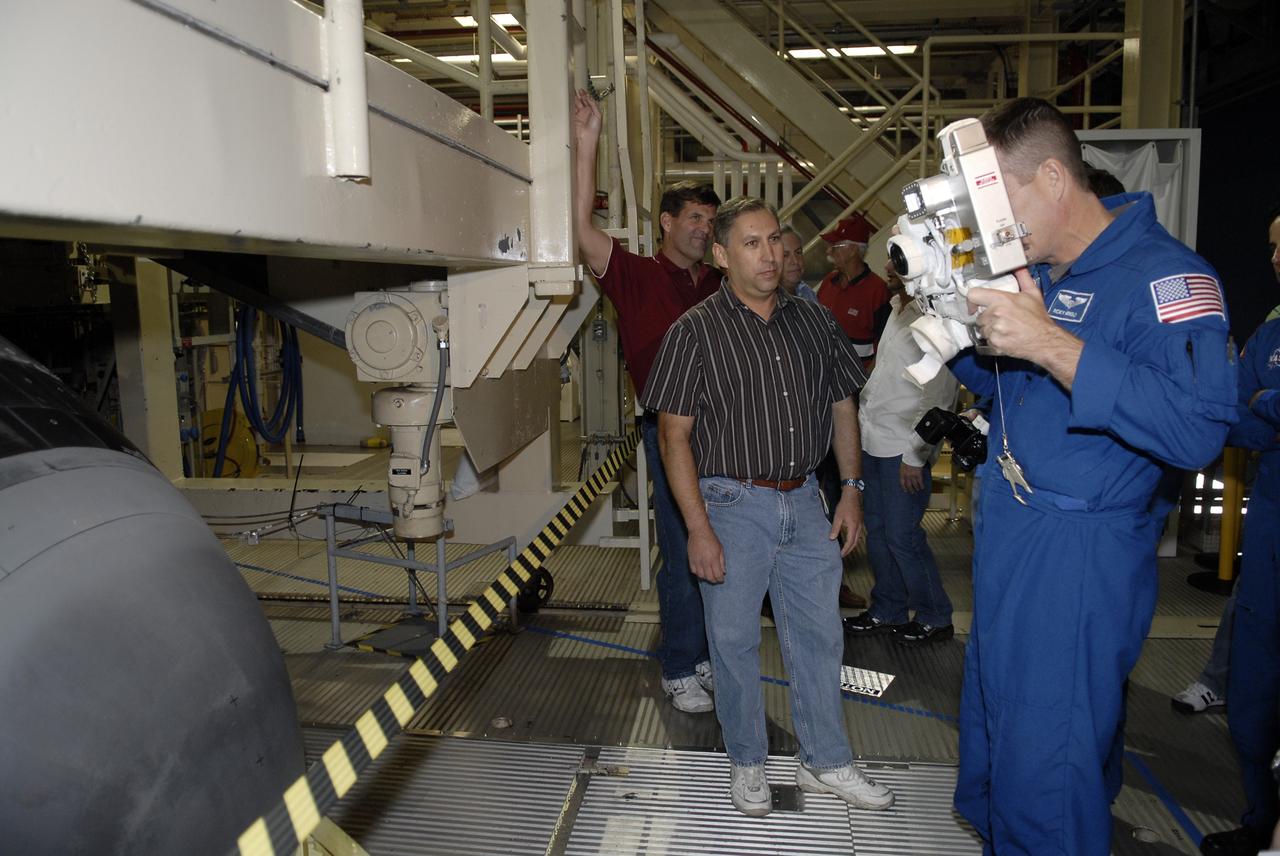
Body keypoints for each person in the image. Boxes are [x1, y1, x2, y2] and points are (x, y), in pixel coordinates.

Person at [948, 97, 1237, 854]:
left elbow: (1198, 430)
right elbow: (1016, 392)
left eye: (997, 198)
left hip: (1075, 552)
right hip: (1013, 526)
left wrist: (1050, 343)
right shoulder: (1046, 271)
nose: (991, 223)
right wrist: (957, 327)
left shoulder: (1166, 279)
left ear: (1051, 177)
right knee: (999, 726)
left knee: (1050, 754)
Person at [642, 196, 894, 818]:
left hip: (807, 499)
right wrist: (697, 530)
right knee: (732, 643)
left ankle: (827, 760)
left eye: (775, 240)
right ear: (724, 256)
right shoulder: (693, 332)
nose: (770, 253)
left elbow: (843, 406)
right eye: (751, 243)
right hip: (730, 502)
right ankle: (747, 761)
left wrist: (853, 490)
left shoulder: (813, 322)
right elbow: (674, 436)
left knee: (818, 637)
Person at [573, 89, 720, 714]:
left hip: (727, 431)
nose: (703, 229)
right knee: (685, 542)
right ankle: (681, 666)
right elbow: (581, 232)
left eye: (711, 222)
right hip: (668, 432)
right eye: (693, 219)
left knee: (722, 544)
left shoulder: (720, 281)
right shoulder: (635, 275)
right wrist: (589, 145)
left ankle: (709, 652)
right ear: (666, 222)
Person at [1200, 211, 1280, 856]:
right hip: (1271, 543)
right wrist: (1261, 408)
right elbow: (1235, 415)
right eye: (1274, 246)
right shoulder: (1272, 330)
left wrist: (1264, 406)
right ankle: (1262, 823)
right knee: (1254, 698)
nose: (1277, 258)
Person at [844, 266, 960, 645]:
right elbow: (886, 377)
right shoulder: (896, 307)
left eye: (899, 259)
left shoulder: (934, 316)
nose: (890, 266)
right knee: (877, 534)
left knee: (902, 537)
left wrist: (917, 454)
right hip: (874, 440)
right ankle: (888, 608)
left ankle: (935, 615)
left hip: (902, 448)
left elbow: (941, 395)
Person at [816, 214, 892, 366]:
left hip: (857, 383)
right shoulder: (828, 282)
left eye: (835, 246)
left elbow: (886, 345)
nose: (829, 251)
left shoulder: (877, 291)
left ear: (853, 250)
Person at [779, 224, 818, 302]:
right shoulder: (765, 303)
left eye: (798, 252)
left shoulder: (806, 292)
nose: (795, 261)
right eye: (785, 255)